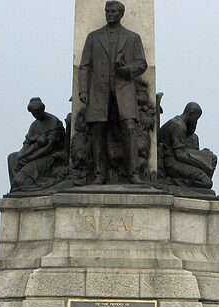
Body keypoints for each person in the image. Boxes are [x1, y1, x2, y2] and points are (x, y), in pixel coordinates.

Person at [78, 0, 147, 184]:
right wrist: (83, 90)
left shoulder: (133, 37)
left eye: (113, 11)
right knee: (98, 130)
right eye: (107, 11)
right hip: (99, 91)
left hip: (124, 89)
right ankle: (99, 174)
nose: (109, 14)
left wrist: (127, 70)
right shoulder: (93, 37)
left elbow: (142, 63)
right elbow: (84, 66)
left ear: (121, 14)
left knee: (130, 128)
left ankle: (134, 173)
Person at [7, 97, 67, 192]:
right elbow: (27, 144)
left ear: (42, 109)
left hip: (50, 156)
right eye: (33, 113)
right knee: (12, 157)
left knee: (20, 178)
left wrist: (29, 158)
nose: (35, 115)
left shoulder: (53, 121)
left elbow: (49, 147)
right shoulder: (34, 124)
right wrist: (20, 156)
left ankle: (23, 183)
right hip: (35, 153)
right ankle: (17, 186)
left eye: (37, 112)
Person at [159, 102, 217, 189]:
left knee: (212, 158)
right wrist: (202, 162)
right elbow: (179, 155)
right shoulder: (178, 126)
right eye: (196, 118)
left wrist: (201, 154)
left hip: (175, 161)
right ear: (191, 113)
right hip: (171, 164)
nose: (196, 121)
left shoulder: (180, 124)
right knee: (206, 182)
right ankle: (170, 182)